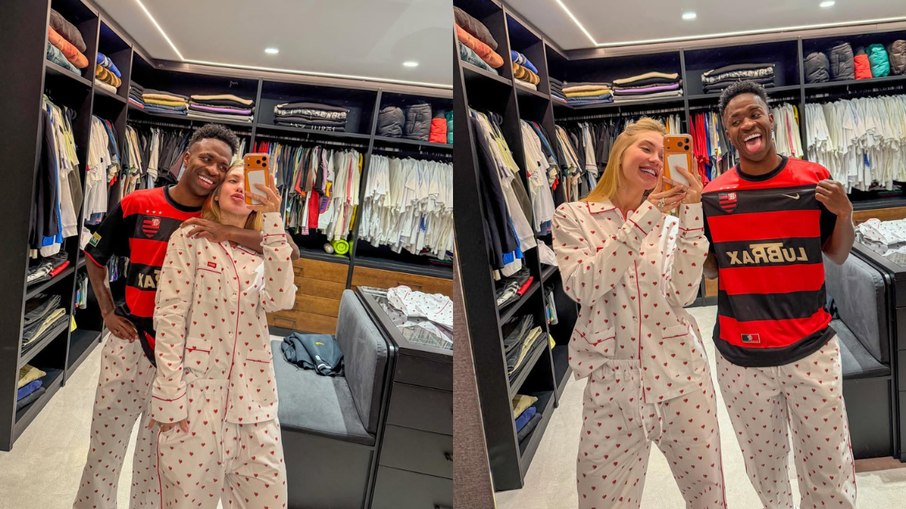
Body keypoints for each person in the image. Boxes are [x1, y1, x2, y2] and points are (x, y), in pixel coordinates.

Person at [74, 124, 298, 509]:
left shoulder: (220, 213)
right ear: (186, 156)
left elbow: (286, 249)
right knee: (105, 448)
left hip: (183, 361)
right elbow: (95, 255)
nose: (213, 170)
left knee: (156, 462)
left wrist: (228, 231)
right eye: (206, 159)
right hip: (132, 341)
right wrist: (107, 311)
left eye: (223, 166)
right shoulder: (138, 202)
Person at [553, 118, 725, 508]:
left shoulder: (670, 225)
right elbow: (583, 285)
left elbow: (682, 294)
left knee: (708, 498)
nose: (656, 160)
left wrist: (691, 216)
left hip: (682, 377)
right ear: (620, 151)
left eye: (665, 155)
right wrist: (646, 216)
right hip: (612, 385)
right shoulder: (573, 216)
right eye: (646, 148)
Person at [701, 80, 857, 508]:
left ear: (771, 119)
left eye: (755, 114)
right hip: (741, 358)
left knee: (830, 469)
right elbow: (712, 269)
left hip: (811, 350)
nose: (748, 124)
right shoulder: (713, 195)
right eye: (736, 120)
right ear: (727, 133)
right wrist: (686, 236)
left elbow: (837, 253)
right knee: (765, 471)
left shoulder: (813, 179)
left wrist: (845, 213)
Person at [150, 162, 295, 508]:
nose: (240, 187)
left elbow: (281, 299)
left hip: (255, 400)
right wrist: (170, 397)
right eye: (232, 180)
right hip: (196, 403)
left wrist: (273, 219)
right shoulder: (189, 238)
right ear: (216, 193)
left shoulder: (267, 248)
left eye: (249, 182)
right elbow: (170, 318)